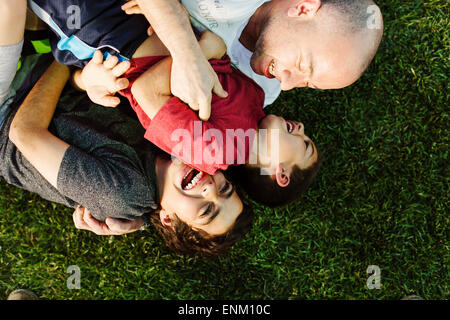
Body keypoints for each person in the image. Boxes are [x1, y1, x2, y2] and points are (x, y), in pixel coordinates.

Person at [29, 0, 320, 207]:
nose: (302, 128)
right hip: (148, 16)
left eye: (305, 145)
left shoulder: (214, 152)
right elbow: (216, 44)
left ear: (279, 173)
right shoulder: (256, 97)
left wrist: (194, 54)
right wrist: (187, 41)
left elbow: (146, 92)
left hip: (108, 41)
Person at [1, 53, 253, 257]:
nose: (210, 189)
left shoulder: (125, 192)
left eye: (206, 211)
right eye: (225, 189)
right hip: (46, 76)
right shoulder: (176, 144)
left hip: (9, 111)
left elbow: (23, 133)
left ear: (168, 219)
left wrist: (64, 60)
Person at [123, 0, 384, 106]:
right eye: (303, 65)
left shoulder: (262, 90)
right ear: (303, 9)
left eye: (307, 84)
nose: (288, 84)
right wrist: (187, 55)